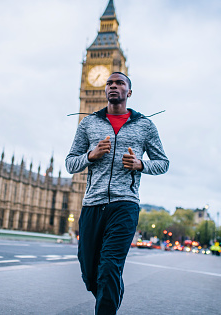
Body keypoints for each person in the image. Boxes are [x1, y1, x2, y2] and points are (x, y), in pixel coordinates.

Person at [65, 72, 169, 314]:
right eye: (109, 83)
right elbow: (70, 163)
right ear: (105, 91)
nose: (114, 86)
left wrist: (140, 164)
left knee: (110, 267)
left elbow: (163, 163)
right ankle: (110, 292)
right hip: (92, 204)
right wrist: (91, 156)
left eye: (120, 83)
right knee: (91, 273)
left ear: (128, 92)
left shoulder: (145, 126)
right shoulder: (88, 124)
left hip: (125, 205)